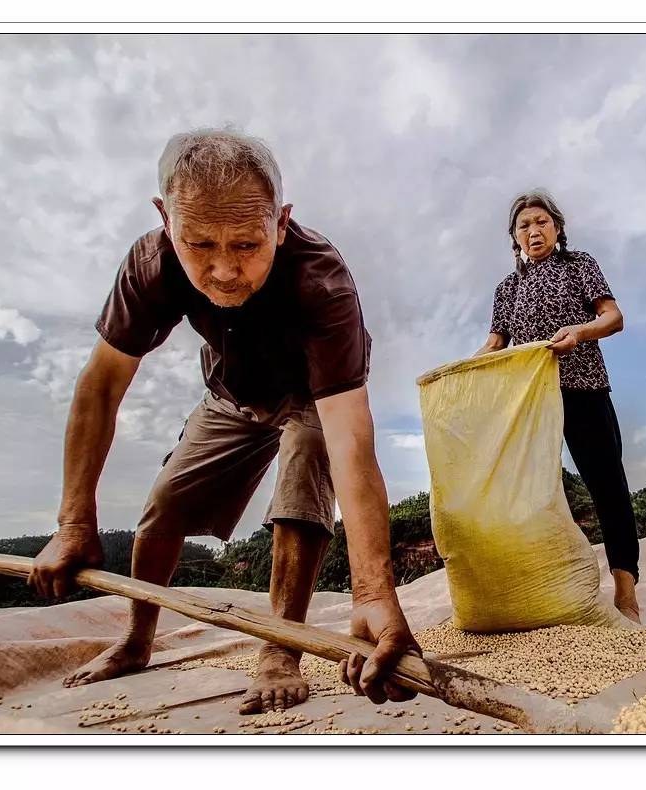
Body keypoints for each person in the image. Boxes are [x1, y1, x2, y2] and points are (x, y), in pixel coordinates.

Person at [28, 128, 420, 713]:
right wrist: (74, 522)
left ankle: (279, 652)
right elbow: (101, 385)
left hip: (312, 397)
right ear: (166, 221)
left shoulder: (322, 280)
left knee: (304, 476)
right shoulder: (150, 265)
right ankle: (137, 639)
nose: (224, 271)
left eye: (246, 245)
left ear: (281, 224)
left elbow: (351, 440)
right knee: (165, 503)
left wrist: (373, 591)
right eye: (200, 244)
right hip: (230, 395)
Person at [476, 189, 642, 623]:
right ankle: (548, 593)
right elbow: (495, 346)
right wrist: (459, 372)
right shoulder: (507, 289)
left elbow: (613, 317)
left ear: (558, 228)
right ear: (514, 238)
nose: (533, 231)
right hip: (530, 403)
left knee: (607, 487)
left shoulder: (579, 265)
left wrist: (580, 332)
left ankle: (627, 595)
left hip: (583, 389)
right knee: (531, 496)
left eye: (541, 222)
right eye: (524, 226)